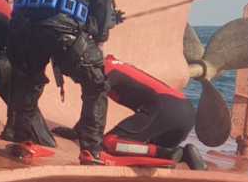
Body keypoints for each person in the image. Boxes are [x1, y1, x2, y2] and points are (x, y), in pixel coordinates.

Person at [5, 0, 118, 164]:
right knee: (96, 85)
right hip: (62, 29)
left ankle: (25, 142)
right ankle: (90, 150)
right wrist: (99, 34)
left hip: (24, 25)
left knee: (28, 80)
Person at [53, 55, 207, 169]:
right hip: (185, 111)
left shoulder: (100, 70)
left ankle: (173, 154)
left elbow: (94, 108)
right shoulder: (113, 65)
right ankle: (172, 157)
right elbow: (93, 108)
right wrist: (77, 132)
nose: (72, 78)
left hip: (164, 108)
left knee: (109, 144)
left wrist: (79, 134)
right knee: (142, 152)